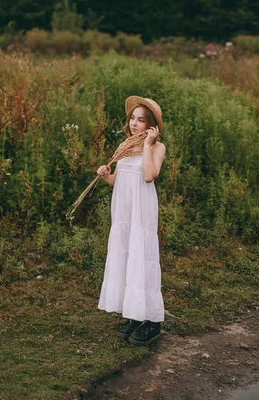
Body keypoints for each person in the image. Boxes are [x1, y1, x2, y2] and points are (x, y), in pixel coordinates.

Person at [96, 96, 166, 345]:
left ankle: (153, 322)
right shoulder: (125, 145)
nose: (135, 124)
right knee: (126, 256)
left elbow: (148, 175)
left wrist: (147, 145)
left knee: (142, 256)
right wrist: (105, 175)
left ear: (151, 125)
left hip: (141, 211)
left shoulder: (157, 148)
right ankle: (136, 315)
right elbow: (118, 180)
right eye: (132, 118)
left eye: (141, 120)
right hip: (124, 212)